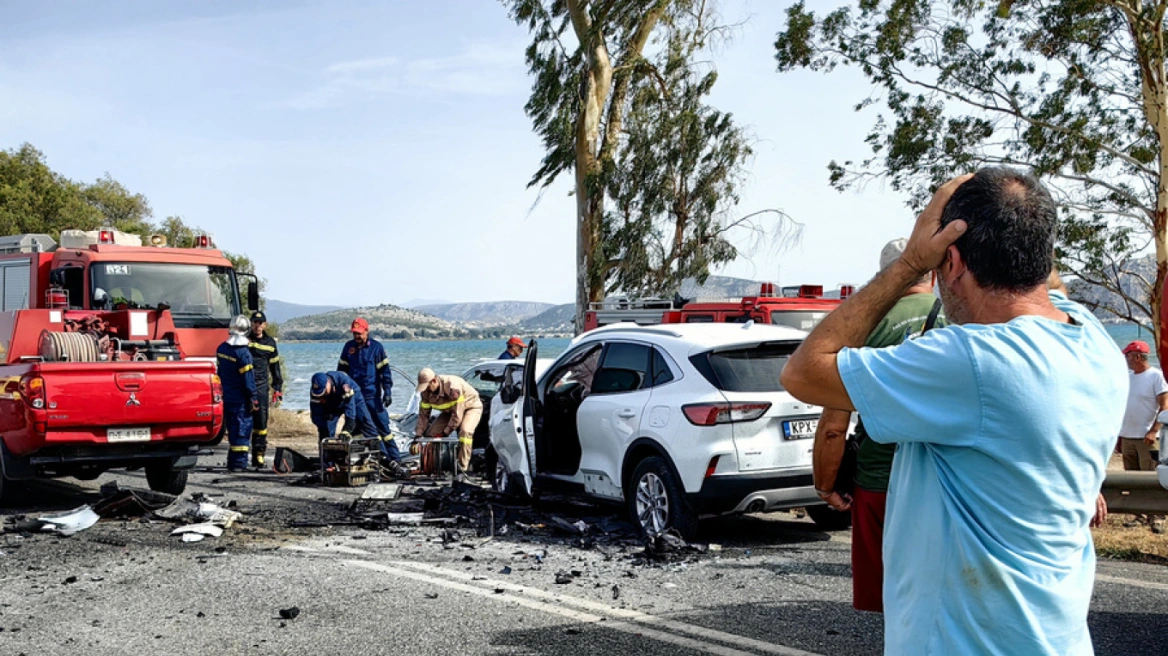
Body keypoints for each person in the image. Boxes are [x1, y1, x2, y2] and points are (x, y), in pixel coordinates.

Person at [780, 167, 1127, 655]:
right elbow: (1048, 286)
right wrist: (1016, 216)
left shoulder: (973, 361)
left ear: (954, 261)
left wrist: (908, 263)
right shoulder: (1092, 340)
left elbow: (803, 372)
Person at [811, 237, 945, 613]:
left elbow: (834, 427)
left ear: (885, 277)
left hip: (879, 481)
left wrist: (825, 485)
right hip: (947, 481)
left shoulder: (864, 329)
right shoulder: (963, 318)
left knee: (893, 603)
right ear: (933, 275)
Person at [1117, 339, 1168, 533]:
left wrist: (1154, 430)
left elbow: (1165, 407)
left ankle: (1157, 517)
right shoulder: (1128, 377)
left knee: (1151, 477)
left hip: (1147, 437)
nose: (1127, 360)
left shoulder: (1155, 376)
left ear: (1138, 357)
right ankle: (1138, 514)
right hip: (1128, 435)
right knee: (1132, 476)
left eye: (1129, 356)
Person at [337, 318, 400, 465]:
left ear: (367, 331)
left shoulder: (377, 348)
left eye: (359, 333)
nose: (357, 336)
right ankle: (373, 459)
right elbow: (341, 372)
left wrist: (388, 392)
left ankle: (395, 459)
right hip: (355, 397)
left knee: (383, 427)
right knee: (362, 429)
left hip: (373, 396)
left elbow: (385, 373)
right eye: (354, 333)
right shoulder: (348, 348)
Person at [414, 367, 483, 478]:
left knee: (465, 432)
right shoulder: (425, 393)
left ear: (434, 381)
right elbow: (423, 416)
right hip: (449, 411)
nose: (425, 390)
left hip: (470, 407)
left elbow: (457, 415)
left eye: (427, 387)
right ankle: (436, 466)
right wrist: (417, 435)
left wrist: (445, 433)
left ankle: (462, 469)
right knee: (431, 434)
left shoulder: (453, 387)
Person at [216, 315, 259, 473]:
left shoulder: (221, 349)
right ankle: (239, 464)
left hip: (226, 395)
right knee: (242, 429)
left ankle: (231, 461)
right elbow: (248, 381)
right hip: (240, 398)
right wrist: (254, 398)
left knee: (232, 429)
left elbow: (219, 373)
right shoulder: (244, 354)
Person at [247, 310, 284, 469]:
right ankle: (239, 456)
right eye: (255, 322)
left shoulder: (270, 343)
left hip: (261, 386)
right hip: (245, 384)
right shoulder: (244, 340)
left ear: (265, 325)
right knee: (243, 420)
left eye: (260, 323)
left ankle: (259, 455)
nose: (257, 325)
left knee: (261, 421)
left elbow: (275, 367)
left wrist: (277, 387)